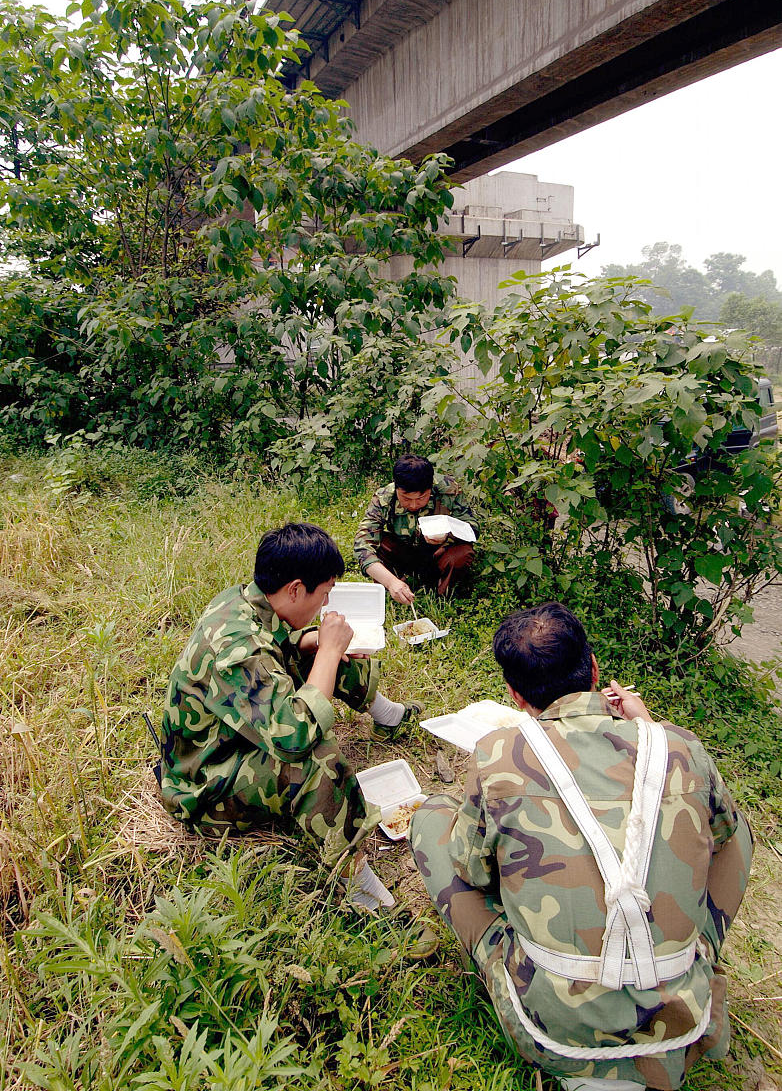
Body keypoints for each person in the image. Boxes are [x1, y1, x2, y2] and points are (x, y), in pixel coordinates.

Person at [410, 602, 753, 1091]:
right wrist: (651, 728)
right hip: (679, 1023)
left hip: (548, 1030)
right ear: (594, 669)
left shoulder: (498, 754)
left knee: (432, 818)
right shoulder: (679, 747)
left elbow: (473, 868)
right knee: (737, 830)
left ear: (514, 693)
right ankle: (694, 956)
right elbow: (721, 834)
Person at [160, 522, 420, 911]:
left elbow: (275, 645)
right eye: (324, 595)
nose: (325, 606)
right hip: (204, 780)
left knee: (324, 649)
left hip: (236, 735)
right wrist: (328, 651)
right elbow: (294, 735)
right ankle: (360, 886)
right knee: (318, 759)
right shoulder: (237, 649)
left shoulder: (245, 599)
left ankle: (388, 716)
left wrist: (316, 642)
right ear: (296, 589)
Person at [354, 454, 479, 603]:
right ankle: (393, 589)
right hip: (404, 553)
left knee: (462, 552)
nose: (413, 505)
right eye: (406, 499)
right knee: (381, 543)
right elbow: (362, 545)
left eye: (421, 498)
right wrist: (390, 582)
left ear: (430, 488)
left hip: (439, 553)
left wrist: (448, 535)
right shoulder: (385, 497)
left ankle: (444, 597)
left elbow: (472, 527)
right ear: (397, 488)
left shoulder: (448, 490)